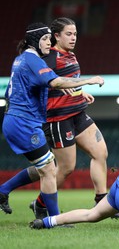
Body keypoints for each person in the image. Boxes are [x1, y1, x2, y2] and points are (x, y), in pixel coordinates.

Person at [0, 18, 111, 219]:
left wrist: (78, 92)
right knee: (57, 168)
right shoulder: (43, 57)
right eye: (68, 34)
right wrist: (90, 81)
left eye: (75, 34)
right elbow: (54, 83)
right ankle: (46, 210)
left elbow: (57, 83)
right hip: (52, 119)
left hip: (71, 113)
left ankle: (101, 200)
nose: (73, 37)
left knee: (97, 153)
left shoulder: (56, 56)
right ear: (54, 36)